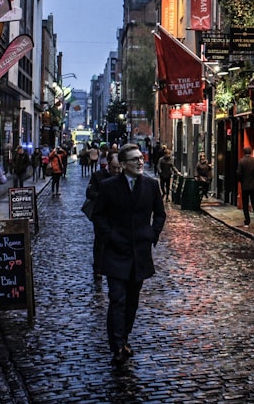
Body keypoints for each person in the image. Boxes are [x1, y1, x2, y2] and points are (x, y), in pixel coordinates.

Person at [92, 143, 166, 366]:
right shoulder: (109, 186)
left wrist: (152, 234)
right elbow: (98, 216)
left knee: (132, 301)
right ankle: (116, 346)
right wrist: (110, 236)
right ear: (123, 165)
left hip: (140, 253)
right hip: (116, 252)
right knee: (117, 299)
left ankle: (124, 338)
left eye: (141, 158)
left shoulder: (151, 185)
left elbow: (160, 214)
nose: (140, 162)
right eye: (134, 159)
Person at [83, 152, 121, 279]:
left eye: (119, 167)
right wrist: (103, 197)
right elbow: (89, 192)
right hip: (101, 214)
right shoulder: (98, 176)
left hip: (117, 215)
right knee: (100, 242)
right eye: (114, 167)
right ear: (108, 165)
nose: (116, 170)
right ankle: (98, 268)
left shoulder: (123, 177)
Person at [236, 146, 254, 227]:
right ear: (250, 152)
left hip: (245, 186)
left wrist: (241, 181)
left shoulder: (241, 161)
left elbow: (238, 173)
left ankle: (247, 221)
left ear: (244, 152)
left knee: (245, 204)